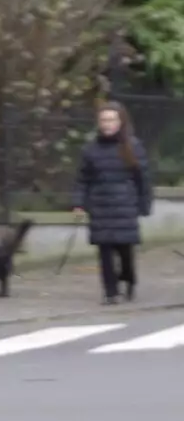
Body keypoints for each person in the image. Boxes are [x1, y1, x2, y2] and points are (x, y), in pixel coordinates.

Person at [73, 101, 152, 304]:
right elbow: (83, 179)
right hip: (100, 205)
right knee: (105, 251)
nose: (107, 124)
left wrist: (144, 204)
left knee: (125, 249)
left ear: (120, 122)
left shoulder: (132, 146)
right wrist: (79, 203)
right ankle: (111, 292)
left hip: (125, 205)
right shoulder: (90, 149)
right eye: (103, 120)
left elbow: (142, 178)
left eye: (111, 120)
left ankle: (129, 279)